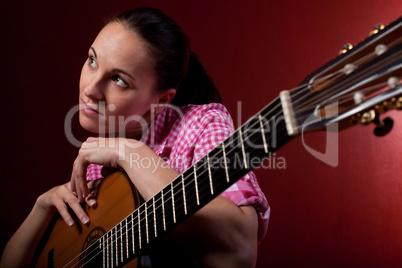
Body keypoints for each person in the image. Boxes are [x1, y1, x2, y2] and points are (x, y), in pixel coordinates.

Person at [0, 7, 269, 267]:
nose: (90, 89)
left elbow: (241, 250)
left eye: (119, 80)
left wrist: (129, 153)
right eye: (92, 60)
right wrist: (42, 209)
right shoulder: (97, 160)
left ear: (161, 101)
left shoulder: (202, 123)